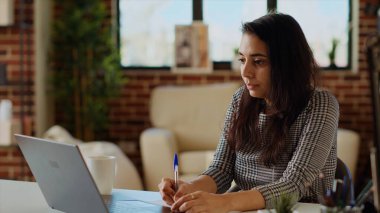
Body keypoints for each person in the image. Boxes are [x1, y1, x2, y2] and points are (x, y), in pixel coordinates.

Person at [159, 12, 339, 213]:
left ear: (287, 64)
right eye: (242, 60)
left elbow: (293, 185)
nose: (245, 72)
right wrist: (190, 189)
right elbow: (221, 169)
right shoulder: (240, 99)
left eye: (258, 61)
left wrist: (224, 202)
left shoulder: (320, 104)